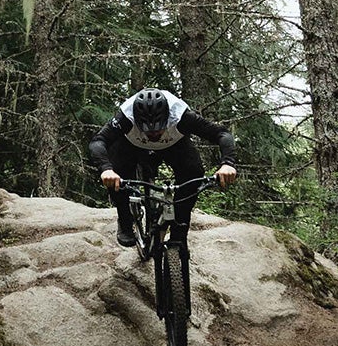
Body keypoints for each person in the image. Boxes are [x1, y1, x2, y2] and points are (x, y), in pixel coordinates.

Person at [87, 87, 237, 246]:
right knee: (116, 174)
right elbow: (98, 141)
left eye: (158, 130)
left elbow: (222, 134)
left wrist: (227, 164)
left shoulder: (182, 116)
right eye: (147, 131)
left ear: (168, 117)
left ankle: (179, 231)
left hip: (174, 144)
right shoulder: (125, 117)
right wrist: (106, 169)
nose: (153, 135)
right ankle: (125, 220)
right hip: (131, 145)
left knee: (193, 173)